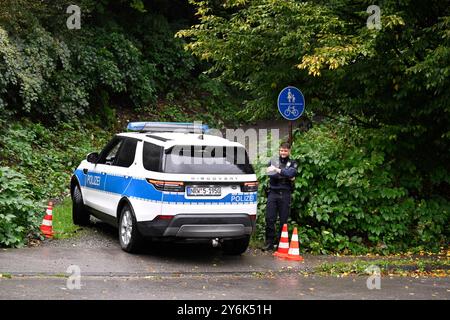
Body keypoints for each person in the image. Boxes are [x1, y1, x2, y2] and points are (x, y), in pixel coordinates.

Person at [263, 142, 298, 251]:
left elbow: (291, 173)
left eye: (285, 151)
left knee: (283, 220)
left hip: (285, 193)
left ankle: (281, 244)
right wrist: (286, 174)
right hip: (273, 193)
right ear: (279, 150)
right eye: (281, 150)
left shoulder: (293, 162)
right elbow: (270, 174)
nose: (283, 152)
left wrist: (278, 170)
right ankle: (269, 243)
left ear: (289, 151)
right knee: (270, 218)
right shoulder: (273, 161)